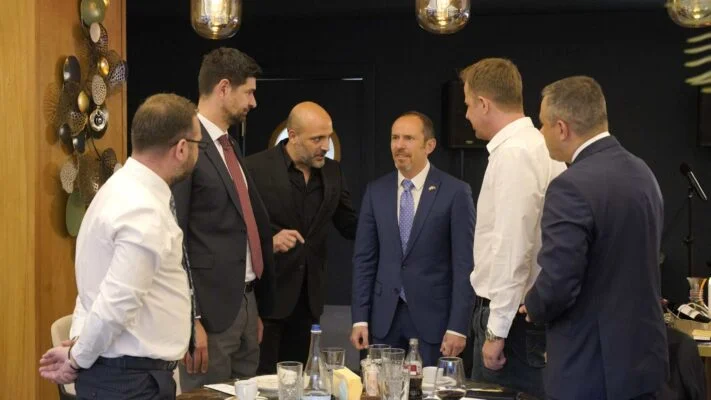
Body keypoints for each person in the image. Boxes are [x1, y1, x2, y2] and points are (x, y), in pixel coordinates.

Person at [38, 93, 201, 399]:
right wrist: (77, 358)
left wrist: (79, 349)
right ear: (181, 148)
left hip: (122, 375)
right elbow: (116, 303)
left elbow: (92, 291)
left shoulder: (119, 189)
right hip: (129, 383)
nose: (197, 153)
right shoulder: (142, 208)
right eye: (198, 145)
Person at [521, 76, 668, 399]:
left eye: (543, 124)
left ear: (562, 128)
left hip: (590, 368)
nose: (541, 132)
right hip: (644, 363)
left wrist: (534, 304)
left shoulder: (569, 186)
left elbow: (559, 282)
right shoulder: (642, 171)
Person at [172, 47, 277, 391]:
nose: (253, 103)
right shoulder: (186, 146)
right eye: (248, 93)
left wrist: (251, 309)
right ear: (223, 88)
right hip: (209, 316)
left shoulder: (229, 146)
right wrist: (191, 319)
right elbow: (175, 239)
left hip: (245, 305)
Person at [460, 58, 565, 398]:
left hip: (511, 321)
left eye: (468, 104)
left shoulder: (514, 154)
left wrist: (496, 332)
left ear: (484, 104)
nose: (466, 115)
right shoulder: (538, 145)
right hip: (524, 314)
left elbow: (512, 248)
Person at [350, 111, 475, 367]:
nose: (399, 145)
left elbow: (465, 265)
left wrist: (458, 326)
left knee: (429, 387)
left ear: (429, 145)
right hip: (383, 322)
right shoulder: (376, 192)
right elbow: (364, 260)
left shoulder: (455, 192)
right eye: (394, 138)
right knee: (379, 387)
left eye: (408, 138)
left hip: (435, 323)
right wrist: (360, 318)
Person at [245, 101, 358, 374]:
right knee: (263, 382)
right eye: (317, 139)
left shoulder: (332, 172)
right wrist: (269, 243)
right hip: (266, 300)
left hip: (309, 300)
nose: (325, 146)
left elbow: (350, 225)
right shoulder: (254, 168)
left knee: (297, 381)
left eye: (328, 137)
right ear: (292, 136)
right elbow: (238, 229)